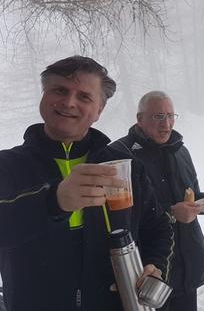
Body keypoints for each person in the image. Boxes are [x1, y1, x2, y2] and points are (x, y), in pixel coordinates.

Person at [0, 56, 173, 311]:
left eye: (84, 97)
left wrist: (154, 265)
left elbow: (157, 226)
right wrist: (53, 202)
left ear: (99, 111)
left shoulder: (125, 167)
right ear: (43, 96)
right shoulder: (7, 165)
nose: (69, 102)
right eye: (59, 90)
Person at [110, 91, 204, 311]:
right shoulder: (120, 154)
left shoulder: (181, 151)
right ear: (139, 118)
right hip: (149, 269)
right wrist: (172, 212)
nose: (166, 123)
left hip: (188, 264)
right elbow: (119, 216)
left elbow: (190, 196)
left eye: (171, 116)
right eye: (158, 116)